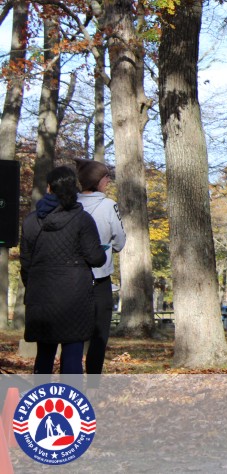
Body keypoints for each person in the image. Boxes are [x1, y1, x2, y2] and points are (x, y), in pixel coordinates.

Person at [21, 166, 108, 374]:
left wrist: (33, 286)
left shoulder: (31, 221)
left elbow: (26, 262)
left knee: (44, 354)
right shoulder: (82, 219)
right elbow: (96, 258)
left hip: (41, 296)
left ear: (49, 188)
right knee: (72, 355)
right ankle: (71, 395)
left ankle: (42, 394)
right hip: (75, 297)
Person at [76, 159, 126, 375]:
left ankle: (71, 380)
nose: (108, 181)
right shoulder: (108, 206)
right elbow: (120, 240)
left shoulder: (70, 204)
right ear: (97, 181)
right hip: (100, 277)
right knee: (99, 334)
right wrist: (107, 247)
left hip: (72, 278)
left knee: (73, 333)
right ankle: (93, 383)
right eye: (106, 177)